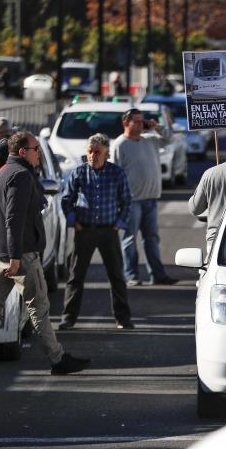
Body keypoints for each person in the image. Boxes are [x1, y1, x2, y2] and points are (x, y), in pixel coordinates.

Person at [0, 131, 90, 375]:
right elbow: (13, 218)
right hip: (20, 255)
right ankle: (58, 359)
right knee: (39, 307)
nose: (39, 153)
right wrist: (15, 256)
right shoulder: (20, 175)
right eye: (35, 149)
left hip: (4, 254)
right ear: (22, 152)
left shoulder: (3, 172)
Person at [60, 134, 134, 330]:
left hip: (109, 231)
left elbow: (126, 201)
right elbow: (67, 199)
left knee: (116, 276)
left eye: (97, 152)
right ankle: (68, 318)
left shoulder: (117, 173)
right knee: (76, 276)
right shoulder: (79, 173)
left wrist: (119, 223)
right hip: (84, 230)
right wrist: (73, 222)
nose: (93, 155)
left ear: (106, 153)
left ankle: (123, 318)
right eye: (90, 152)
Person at [110, 108, 177, 287]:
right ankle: (130, 275)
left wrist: (157, 127)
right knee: (130, 239)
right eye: (136, 122)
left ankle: (157, 275)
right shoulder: (120, 144)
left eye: (142, 121)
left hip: (151, 199)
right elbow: (114, 174)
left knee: (152, 239)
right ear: (126, 123)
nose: (140, 125)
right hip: (131, 201)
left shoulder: (150, 140)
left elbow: (170, 139)